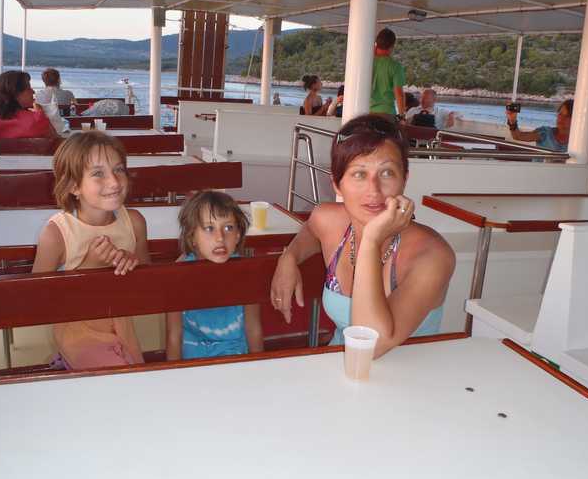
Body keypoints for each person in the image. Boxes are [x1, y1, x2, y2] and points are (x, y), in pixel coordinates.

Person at [269, 115, 455, 357]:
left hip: (409, 375)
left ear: (404, 179)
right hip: (338, 365)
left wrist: (371, 240)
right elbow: (311, 230)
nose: (374, 190)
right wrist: (289, 257)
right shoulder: (328, 219)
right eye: (359, 174)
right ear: (337, 184)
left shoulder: (432, 256)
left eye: (386, 173)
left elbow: (370, 346)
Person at [32, 131, 150, 369]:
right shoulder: (57, 234)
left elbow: (148, 283)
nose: (114, 182)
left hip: (122, 326)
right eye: (98, 173)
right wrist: (89, 266)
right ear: (74, 186)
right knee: (123, 379)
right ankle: (67, 358)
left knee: (135, 373)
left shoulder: (134, 222)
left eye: (119, 169)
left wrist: (132, 263)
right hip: (78, 331)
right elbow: (37, 298)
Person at [166, 191, 263, 360]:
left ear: (238, 235)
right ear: (192, 236)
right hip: (193, 362)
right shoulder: (178, 275)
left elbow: (253, 329)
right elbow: (174, 336)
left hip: (235, 358)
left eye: (228, 228)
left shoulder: (247, 273)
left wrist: (259, 367)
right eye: (209, 228)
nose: (220, 238)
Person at [0, 71, 57, 154]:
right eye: (28, 88)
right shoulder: (37, 120)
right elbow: (56, 142)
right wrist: (40, 111)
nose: (33, 91)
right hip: (36, 162)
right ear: (15, 94)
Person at [506, 99, 573, 152]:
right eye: (560, 114)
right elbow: (518, 136)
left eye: (567, 116)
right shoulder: (545, 133)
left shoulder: (577, 142)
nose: (561, 118)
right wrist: (512, 121)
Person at [370, 28, 406, 117]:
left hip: (366, 111)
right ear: (392, 46)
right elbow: (399, 93)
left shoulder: (367, 62)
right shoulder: (395, 66)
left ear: (376, 44)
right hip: (386, 112)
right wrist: (402, 116)